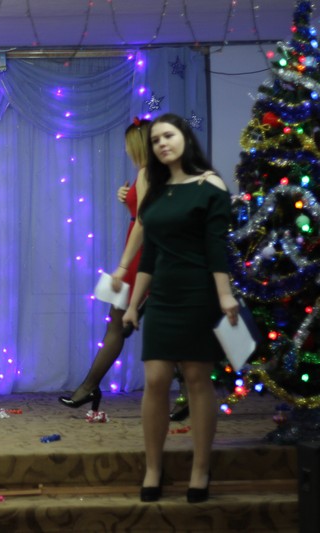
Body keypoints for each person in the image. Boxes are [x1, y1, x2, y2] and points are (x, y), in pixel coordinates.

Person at [122, 113, 237, 504]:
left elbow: (216, 249)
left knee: (196, 379)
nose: (162, 144)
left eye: (168, 136)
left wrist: (224, 296)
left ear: (185, 137)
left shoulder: (210, 185)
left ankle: (200, 470)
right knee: (155, 379)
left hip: (198, 294)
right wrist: (133, 305)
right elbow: (150, 255)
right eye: (155, 140)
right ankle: (153, 468)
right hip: (163, 297)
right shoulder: (156, 191)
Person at [58, 118, 151, 412]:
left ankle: (88, 388)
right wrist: (127, 199)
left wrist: (123, 265)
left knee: (117, 325)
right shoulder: (146, 174)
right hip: (137, 252)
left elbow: (144, 221)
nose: (125, 150)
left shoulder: (147, 173)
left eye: (128, 145)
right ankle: (88, 387)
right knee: (122, 324)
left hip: (140, 255)